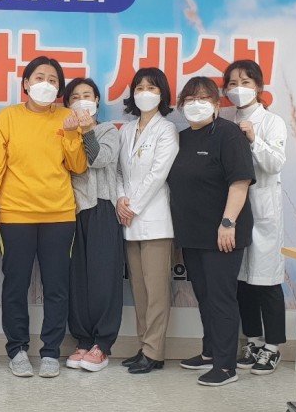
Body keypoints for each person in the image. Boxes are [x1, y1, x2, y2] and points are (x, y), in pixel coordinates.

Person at [0, 56, 88, 379]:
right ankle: (17, 349)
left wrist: (72, 134)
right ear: (25, 83)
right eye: (39, 78)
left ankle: (51, 351)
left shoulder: (67, 117)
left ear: (59, 88)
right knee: (16, 285)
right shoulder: (7, 118)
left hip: (59, 214)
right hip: (16, 215)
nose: (46, 84)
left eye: (53, 80)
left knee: (57, 286)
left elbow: (78, 166)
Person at [168, 76, 255, 387]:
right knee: (204, 296)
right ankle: (209, 352)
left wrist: (228, 222)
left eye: (203, 98)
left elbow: (240, 182)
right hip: (192, 232)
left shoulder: (228, 135)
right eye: (190, 100)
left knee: (221, 297)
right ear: (181, 106)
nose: (196, 104)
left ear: (217, 105)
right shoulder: (181, 138)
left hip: (223, 233)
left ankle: (226, 365)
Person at [223, 60, 287, 375]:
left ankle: (273, 347)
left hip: (263, 211)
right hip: (234, 210)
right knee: (242, 281)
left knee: (266, 280)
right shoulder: (225, 121)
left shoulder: (272, 122)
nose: (239, 89)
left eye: (245, 82)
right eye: (233, 83)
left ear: (258, 87)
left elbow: (275, 163)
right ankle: (253, 341)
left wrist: (253, 138)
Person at [115, 68, 179, 374]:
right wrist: (120, 199)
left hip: (154, 219)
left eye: (152, 88)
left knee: (156, 292)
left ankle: (154, 351)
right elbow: (118, 171)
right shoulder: (126, 130)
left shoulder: (167, 130)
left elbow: (158, 174)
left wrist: (134, 206)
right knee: (139, 291)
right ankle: (144, 347)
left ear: (162, 94)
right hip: (129, 220)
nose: (144, 93)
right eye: (139, 87)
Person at [62, 78, 124, 373]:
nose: (82, 100)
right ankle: (83, 340)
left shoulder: (108, 130)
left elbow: (101, 159)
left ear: (97, 100)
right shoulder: (63, 131)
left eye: (87, 95)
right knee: (77, 281)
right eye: (75, 96)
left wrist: (87, 131)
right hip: (71, 209)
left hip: (101, 207)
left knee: (103, 278)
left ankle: (102, 343)